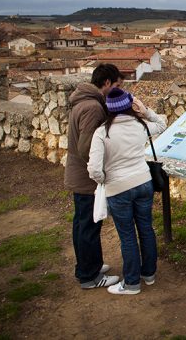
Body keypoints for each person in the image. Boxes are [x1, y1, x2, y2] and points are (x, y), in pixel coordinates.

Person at [88, 88, 167, 295]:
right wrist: (145, 110)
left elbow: (94, 169)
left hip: (118, 187)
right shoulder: (140, 125)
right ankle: (148, 274)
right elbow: (162, 124)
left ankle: (131, 283)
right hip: (143, 182)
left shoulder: (102, 132)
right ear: (129, 105)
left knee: (128, 236)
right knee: (146, 228)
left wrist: (105, 180)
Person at [65, 63, 122, 289]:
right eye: (116, 85)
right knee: (88, 225)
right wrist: (102, 169)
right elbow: (87, 147)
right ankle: (90, 276)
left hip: (77, 174)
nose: (118, 90)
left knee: (82, 224)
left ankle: (87, 267)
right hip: (86, 177)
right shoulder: (93, 108)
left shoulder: (82, 101)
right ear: (106, 83)